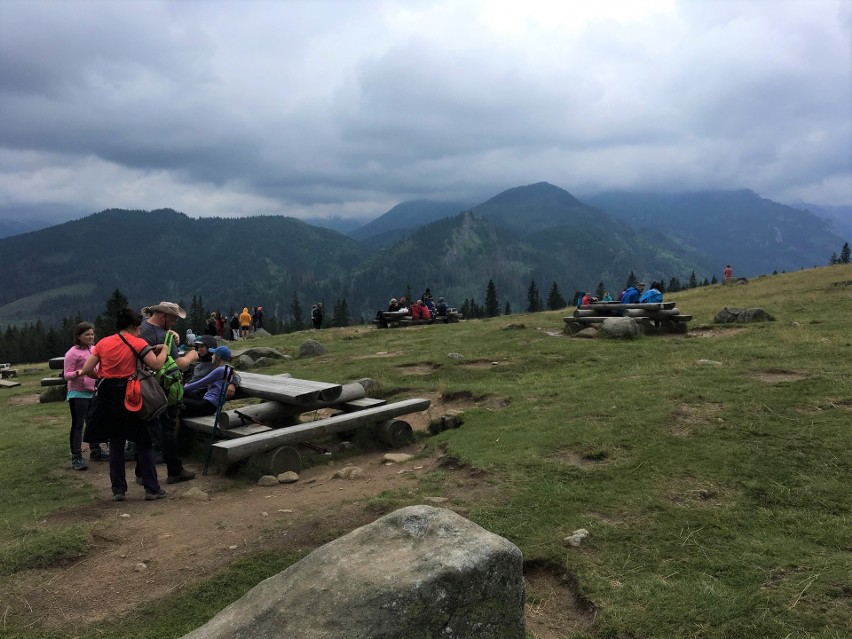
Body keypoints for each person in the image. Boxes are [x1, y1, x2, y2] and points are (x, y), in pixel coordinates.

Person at [81, 307, 167, 501]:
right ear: (131, 326)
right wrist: (165, 350)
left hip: (108, 395)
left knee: (116, 442)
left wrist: (103, 376)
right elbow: (156, 365)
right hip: (132, 394)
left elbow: (87, 369)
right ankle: (152, 488)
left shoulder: (103, 343)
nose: (139, 330)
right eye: (138, 327)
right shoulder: (138, 342)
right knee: (144, 442)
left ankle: (118, 489)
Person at [139, 301, 199, 485]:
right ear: (163, 316)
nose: (174, 323)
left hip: (142, 386)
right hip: (163, 388)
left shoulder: (141, 328)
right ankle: (175, 470)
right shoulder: (163, 335)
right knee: (168, 429)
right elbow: (178, 364)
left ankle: (142, 472)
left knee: (147, 429)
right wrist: (192, 355)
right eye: (172, 318)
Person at [63, 322, 108, 470]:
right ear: (78, 336)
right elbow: (67, 375)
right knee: (78, 424)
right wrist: (80, 372)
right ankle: (76, 456)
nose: (90, 337)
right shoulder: (72, 353)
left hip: (93, 391)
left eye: (92, 334)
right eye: (87, 334)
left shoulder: (95, 349)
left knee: (93, 422)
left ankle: (95, 450)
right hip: (78, 393)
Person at [181, 346, 240, 418]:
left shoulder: (220, 370)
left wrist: (182, 389)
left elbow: (200, 383)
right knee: (181, 396)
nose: (212, 356)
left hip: (208, 405)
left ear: (218, 357)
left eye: (214, 354)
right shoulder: (226, 369)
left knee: (177, 402)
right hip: (208, 403)